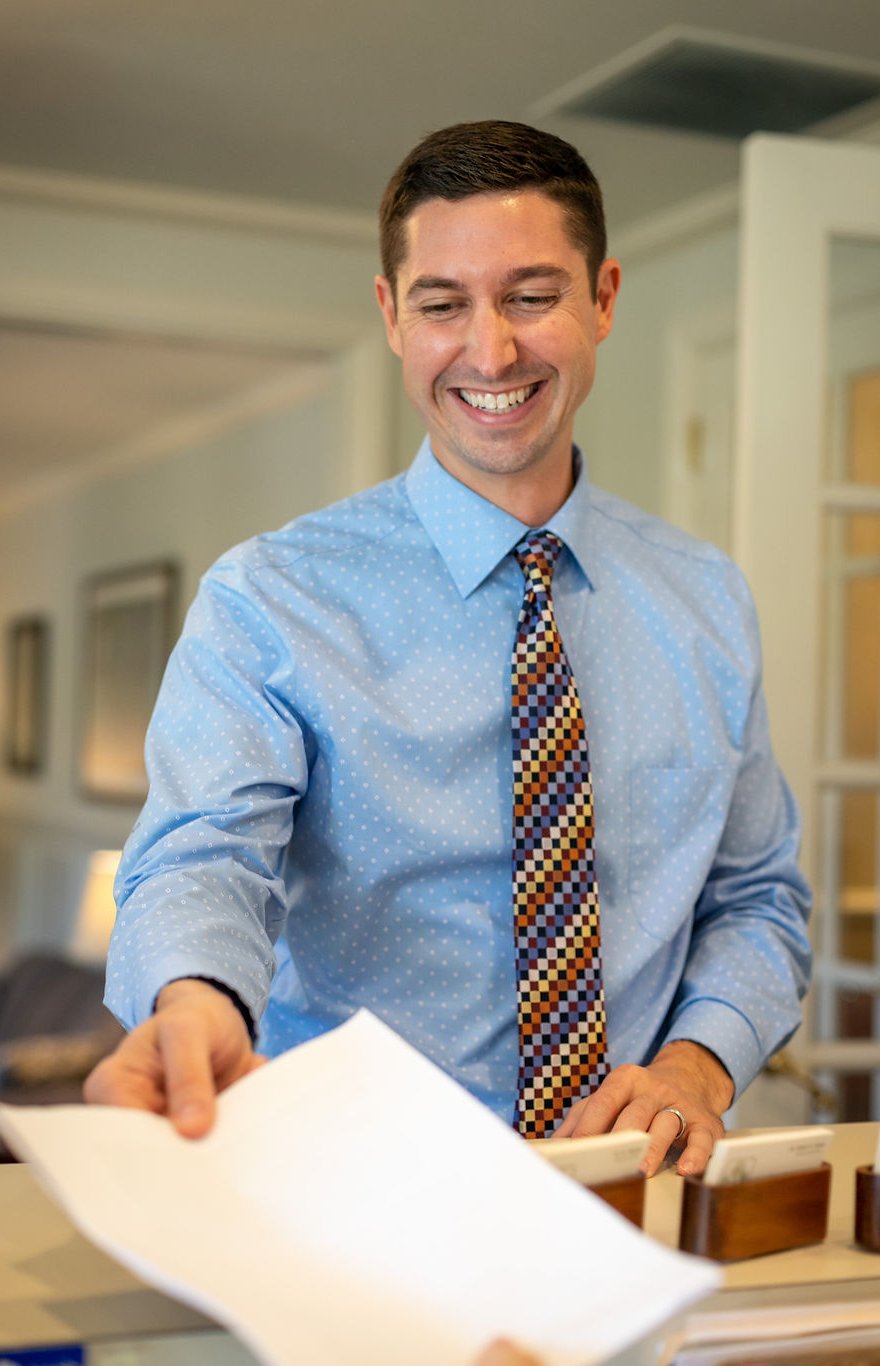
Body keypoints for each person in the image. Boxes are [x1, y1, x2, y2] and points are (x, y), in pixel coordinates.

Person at [85, 120, 812, 1177]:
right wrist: (194, 999)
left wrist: (699, 1067)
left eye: (530, 296)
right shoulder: (270, 598)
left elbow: (756, 898)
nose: (490, 350)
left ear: (602, 298)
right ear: (390, 315)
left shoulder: (704, 599)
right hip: (341, 1192)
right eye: (442, 304)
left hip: (633, 1196)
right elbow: (204, 858)